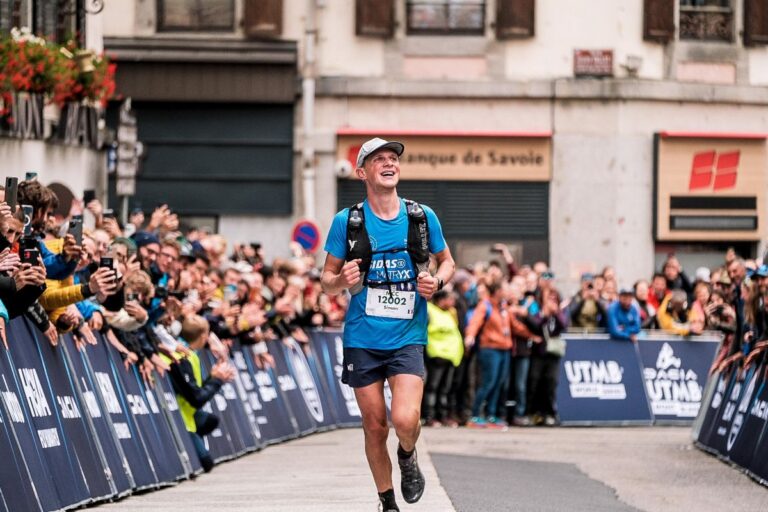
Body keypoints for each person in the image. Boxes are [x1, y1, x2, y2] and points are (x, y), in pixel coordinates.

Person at [321, 137, 455, 512]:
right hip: (362, 337)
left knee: (404, 418)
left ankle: (408, 454)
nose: (388, 163)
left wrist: (438, 282)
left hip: (407, 335)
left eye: (393, 158)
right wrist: (341, 279)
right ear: (362, 172)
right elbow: (326, 279)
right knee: (375, 426)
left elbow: (447, 262)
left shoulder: (421, 217)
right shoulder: (347, 221)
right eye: (378, 159)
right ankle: (387, 501)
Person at [164, 315, 235, 472]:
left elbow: (195, 390)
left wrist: (212, 377)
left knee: (211, 421)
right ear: (203, 336)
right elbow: (196, 399)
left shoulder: (192, 355)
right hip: (178, 418)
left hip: (189, 414)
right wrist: (217, 380)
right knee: (206, 464)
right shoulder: (181, 358)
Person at [464, 281, 536, 429]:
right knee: (488, 382)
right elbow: (475, 322)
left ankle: (491, 415)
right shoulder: (485, 305)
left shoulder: (504, 308)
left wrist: (532, 336)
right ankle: (475, 415)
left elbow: (515, 326)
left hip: (505, 350)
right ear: (497, 291)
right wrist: (470, 336)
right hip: (490, 349)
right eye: (505, 289)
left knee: (499, 383)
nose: (508, 291)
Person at [423, 290, 463, 427]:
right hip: (437, 355)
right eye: (450, 299)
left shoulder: (449, 313)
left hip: (451, 356)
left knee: (445, 389)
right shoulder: (429, 310)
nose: (453, 302)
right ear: (441, 299)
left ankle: (443, 416)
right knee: (433, 387)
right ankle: (430, 416)